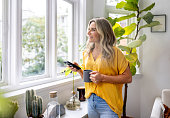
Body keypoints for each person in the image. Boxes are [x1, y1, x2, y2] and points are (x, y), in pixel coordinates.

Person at [68, 17, 132, 118]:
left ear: (103, 32)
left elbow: (128, 78)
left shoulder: (115, 53)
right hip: (91, 102)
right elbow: (88, 79)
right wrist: (79, 70)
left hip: (109, 104)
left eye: (93, 30)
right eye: (89, 29)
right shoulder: (86, 53)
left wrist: (102, 77)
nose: (88, 32)